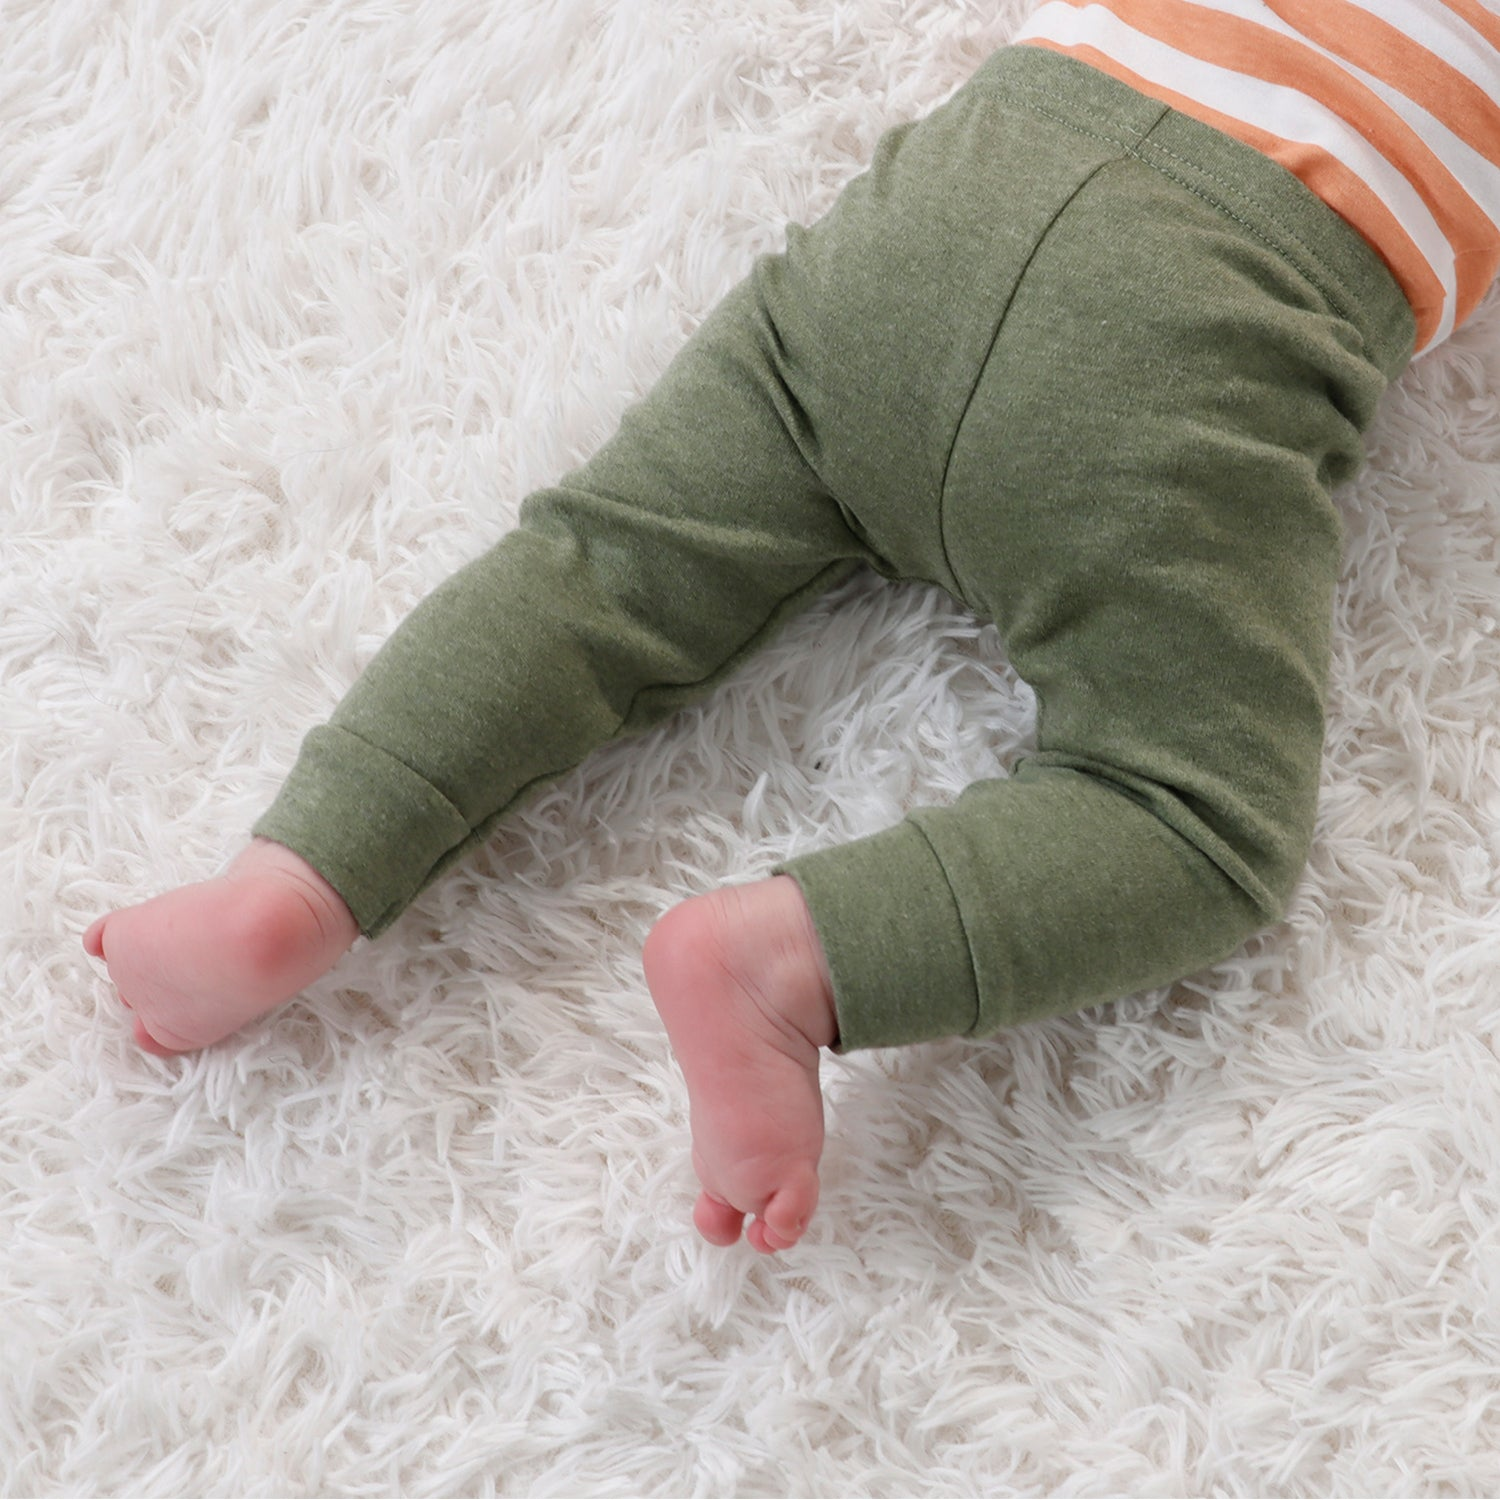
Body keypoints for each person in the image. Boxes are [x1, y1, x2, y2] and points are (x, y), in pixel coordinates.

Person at [83, 1, 1499, 1255]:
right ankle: (787, 960)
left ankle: (292, 881)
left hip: (944, 220)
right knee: (1196, 815)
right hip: (1208, 327)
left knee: (605, 565)